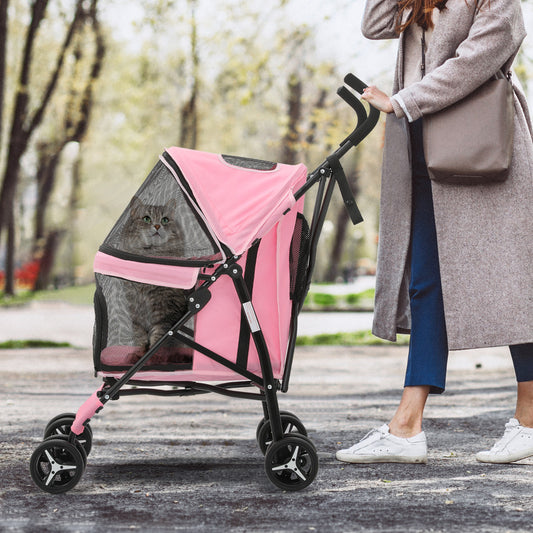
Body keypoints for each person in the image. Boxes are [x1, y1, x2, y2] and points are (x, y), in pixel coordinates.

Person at [336, 0, 533, 464]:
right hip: (425, 150)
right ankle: (406, 428)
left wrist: (403, 100)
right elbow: (375, 24)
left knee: (513, 284)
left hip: (486, 150)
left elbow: (479, 59)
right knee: (426, 284)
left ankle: (530, 419)